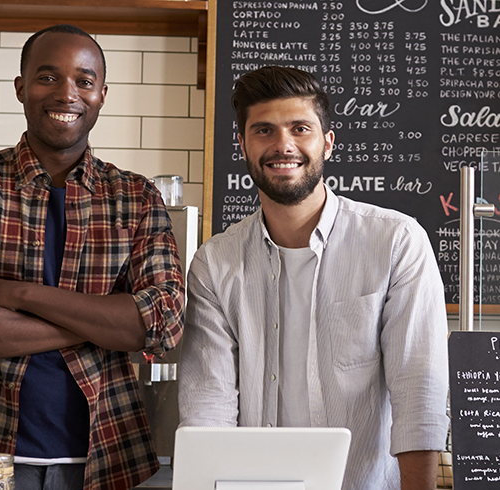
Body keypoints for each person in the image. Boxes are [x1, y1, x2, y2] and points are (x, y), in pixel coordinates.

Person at [0, 24, 184, 490]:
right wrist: (101, 325)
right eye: (47, 77)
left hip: (104, 459)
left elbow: (160, 323)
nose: (66, 93)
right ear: (21, 88)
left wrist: (17, 294)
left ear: (101, 94)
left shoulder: (136, 196)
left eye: (83, 80)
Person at [178, 65, 449, 490]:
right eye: (263, 131)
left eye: (299, 128)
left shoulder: (396, 242)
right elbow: (206, 409)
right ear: (243, 145)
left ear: (327, 143)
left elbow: (418, 391)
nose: (282, 145)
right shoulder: (215, 264)